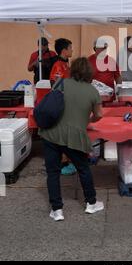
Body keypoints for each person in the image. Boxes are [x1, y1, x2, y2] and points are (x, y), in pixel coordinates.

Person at [40, 57, 103, 221]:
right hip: (74, 137)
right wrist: (87, 120)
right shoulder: (92, 91)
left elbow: (50, 104)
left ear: (73, 70)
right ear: (89, 72)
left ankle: (57, 210)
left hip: (50, 133)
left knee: (53, 172)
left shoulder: (60, 83)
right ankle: (91, 203)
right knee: (83, 169)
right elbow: (99, 115)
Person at [49, 38, 75, 175]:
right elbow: (56, 86)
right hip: (61, 105)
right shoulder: (58, 65)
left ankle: (66, 161)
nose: (72, 50)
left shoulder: (65, 63)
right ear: (64, 50)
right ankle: (63, 163)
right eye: (71, 48)